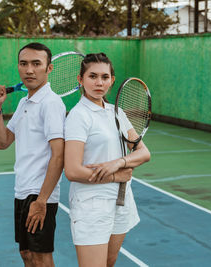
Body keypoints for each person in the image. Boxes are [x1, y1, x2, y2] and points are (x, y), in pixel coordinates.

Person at [64, 53, 151, 267]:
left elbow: (143, 153)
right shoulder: (78, 116)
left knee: (109, 263)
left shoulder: (117, 112)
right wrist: (115, 176)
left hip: (121, 201)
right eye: (92, 76)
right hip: (91, 204)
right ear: (80, 79)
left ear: (112, 80)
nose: (99, 82)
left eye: (104, 77)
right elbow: (73, 171)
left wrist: (119, 162)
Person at [0, 42, 66, 267]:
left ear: (48, 68)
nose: (29, 70)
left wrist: (41, 201)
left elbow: (58, 156)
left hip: (39, 193)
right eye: (24, 64)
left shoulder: (51, 104)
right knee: (27, 254)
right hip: (22, 189)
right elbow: (3, 142)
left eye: (36, 64)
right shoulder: (25, 101)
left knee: (40, 257)